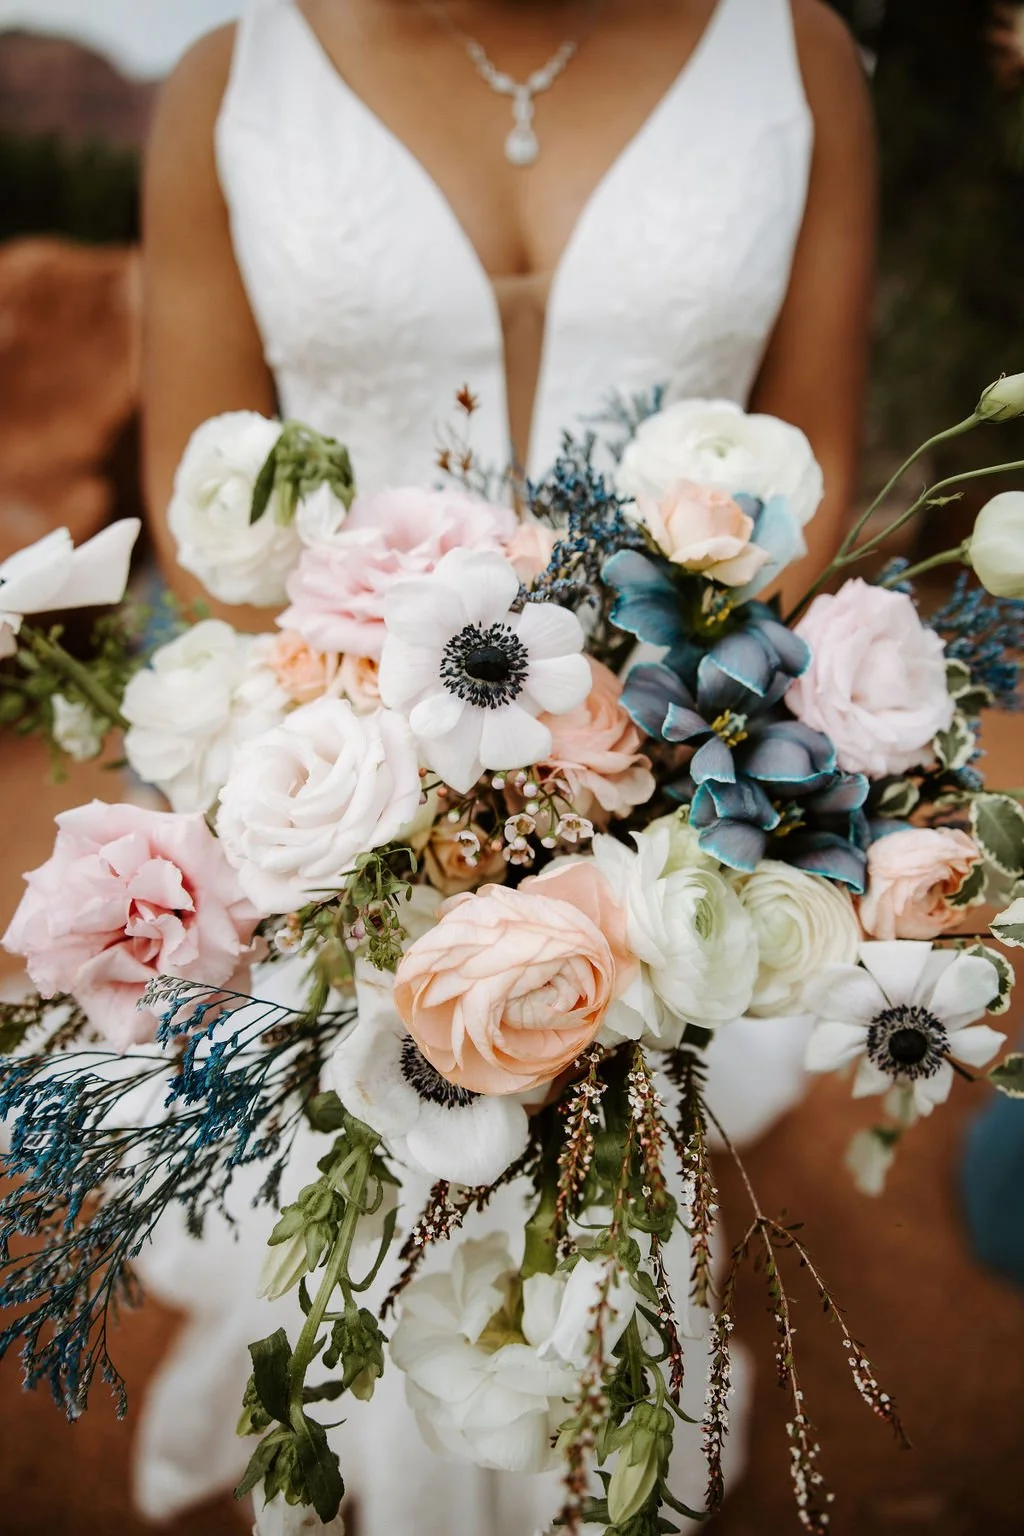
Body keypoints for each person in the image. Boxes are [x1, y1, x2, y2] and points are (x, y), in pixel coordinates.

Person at [138, 2, 875, 1530]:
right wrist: (392, 777)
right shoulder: (227, 81)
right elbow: (198, 496)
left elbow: (813, 454)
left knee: (612, 1227)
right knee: (359, 1209)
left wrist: (637, 762)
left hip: (667, 770)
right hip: (340, 774)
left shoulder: (796, 53)